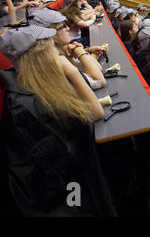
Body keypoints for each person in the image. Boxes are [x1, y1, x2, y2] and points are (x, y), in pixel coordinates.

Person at [0, 25, 116, 216]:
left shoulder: (32, 82)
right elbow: (94, 114)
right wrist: (71, 71)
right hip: (65, 195)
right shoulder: (31, 106)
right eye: (52, 48)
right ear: (41, 58)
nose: (57, 52)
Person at [28, 8, 106, 90]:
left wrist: (89, 51)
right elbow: (99, 81)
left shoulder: (60, 51)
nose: (68, 28)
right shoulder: (55, 60)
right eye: (63, 26)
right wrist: (80, 51)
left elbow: (97, 69)